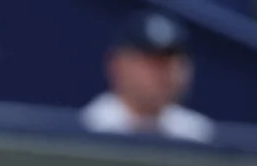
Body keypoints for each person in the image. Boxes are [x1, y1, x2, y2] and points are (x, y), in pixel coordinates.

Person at [80, 10, 215, 143]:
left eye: (171, 62)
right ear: (118, 65)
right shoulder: (89, 128)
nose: (164, 73)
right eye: (153, 62)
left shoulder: (196, 134)